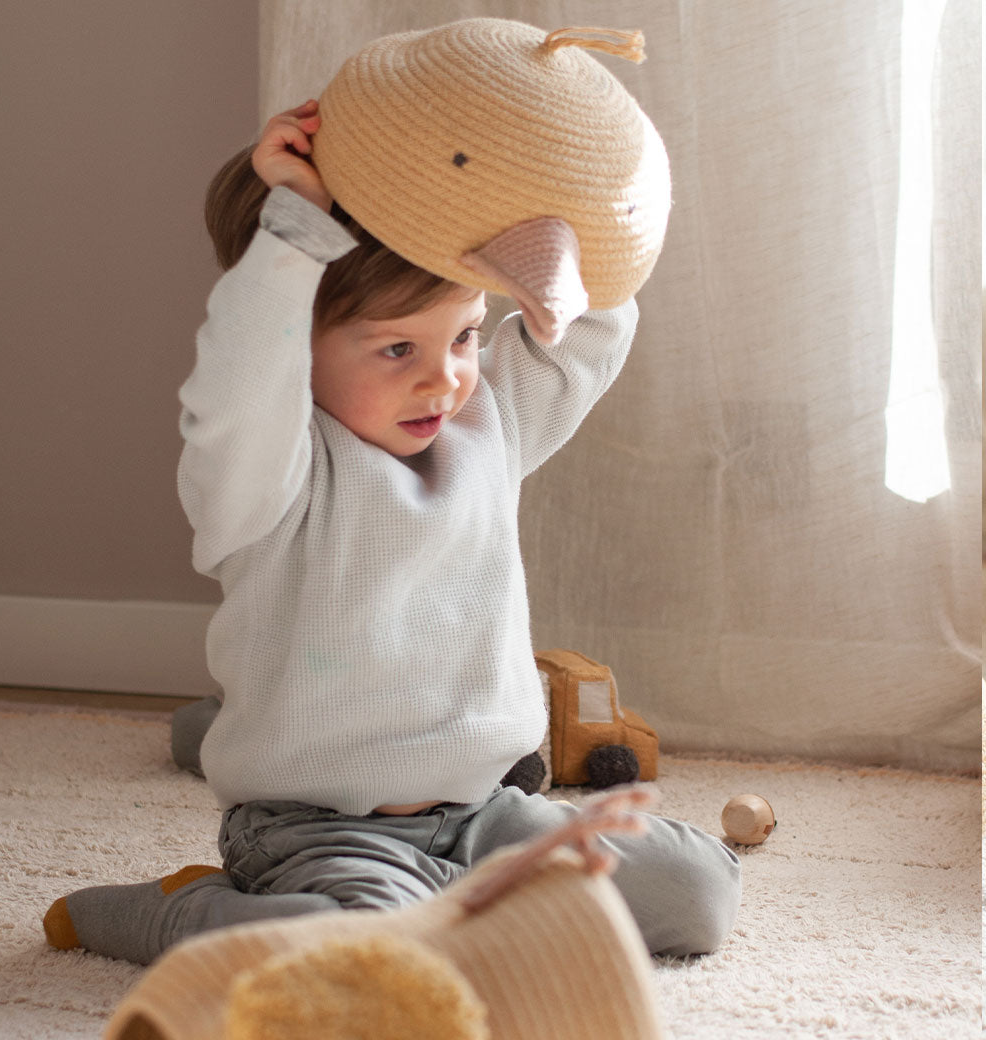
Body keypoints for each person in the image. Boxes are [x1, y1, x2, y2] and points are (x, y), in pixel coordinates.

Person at [43, 102, 740, 966]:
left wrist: (559, 206)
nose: (445, 379)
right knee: (360, 956)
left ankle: (451, 911)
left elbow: (593, 321)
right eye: (395, 351)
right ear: (298, 348)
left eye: (465, 336)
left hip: (484, 816)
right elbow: (241, 369)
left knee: (698, 893)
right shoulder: (265, 474)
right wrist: (295, 223)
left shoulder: (489, 420)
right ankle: (178, 915)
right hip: (320, 829)